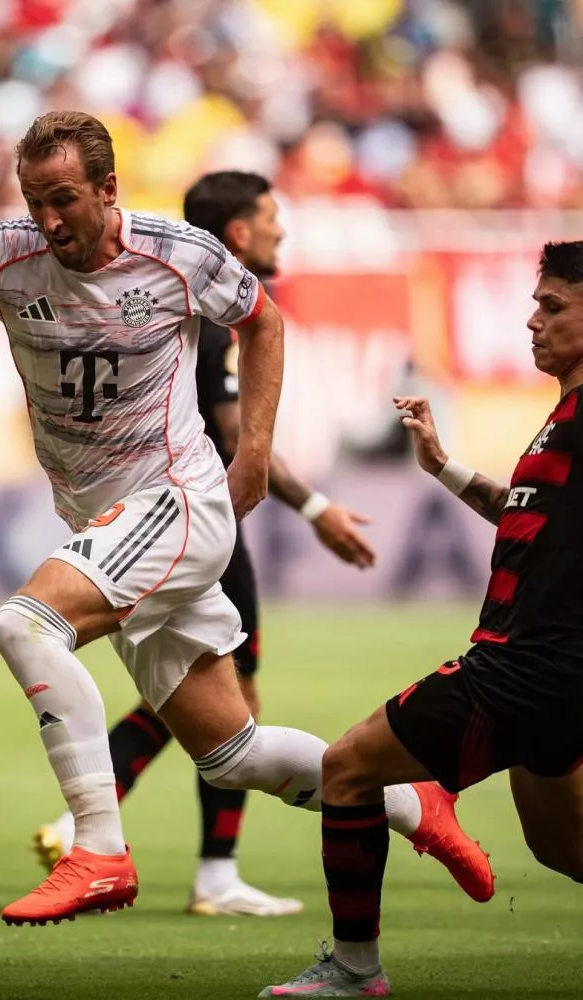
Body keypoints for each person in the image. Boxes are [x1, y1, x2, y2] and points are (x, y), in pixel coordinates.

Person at [0, 110, 492, 927]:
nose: (49, 220)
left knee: (25, 626)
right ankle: (417, 806)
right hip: (102, 520)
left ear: (109, 189)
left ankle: (100, 851)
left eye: (66, 200)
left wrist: (255, 449)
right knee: (233, 755)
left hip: (175, 502)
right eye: (36, 199)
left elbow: (262, 319)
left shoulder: (180, 254)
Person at [33, 170, 376, 918]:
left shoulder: (176, 286)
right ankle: (195, 865)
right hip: (188, 522)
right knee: (221, 704)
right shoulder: (209, 303)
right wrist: (315, 506)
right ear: (242, 232)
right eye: (271, 218)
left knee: (195, 702)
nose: (281, 232)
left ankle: (104, 827)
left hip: (151, 517)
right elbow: (230, 432)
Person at [259, 239, 583, 998]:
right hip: (552, 675)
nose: (532, 320)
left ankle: (354, 970)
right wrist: (443, 467)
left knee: (346, 768)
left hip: (522, 666)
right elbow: (521, 513)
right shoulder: (563, 414)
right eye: (536, 304)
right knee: (563, 849)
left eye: (554, 306)